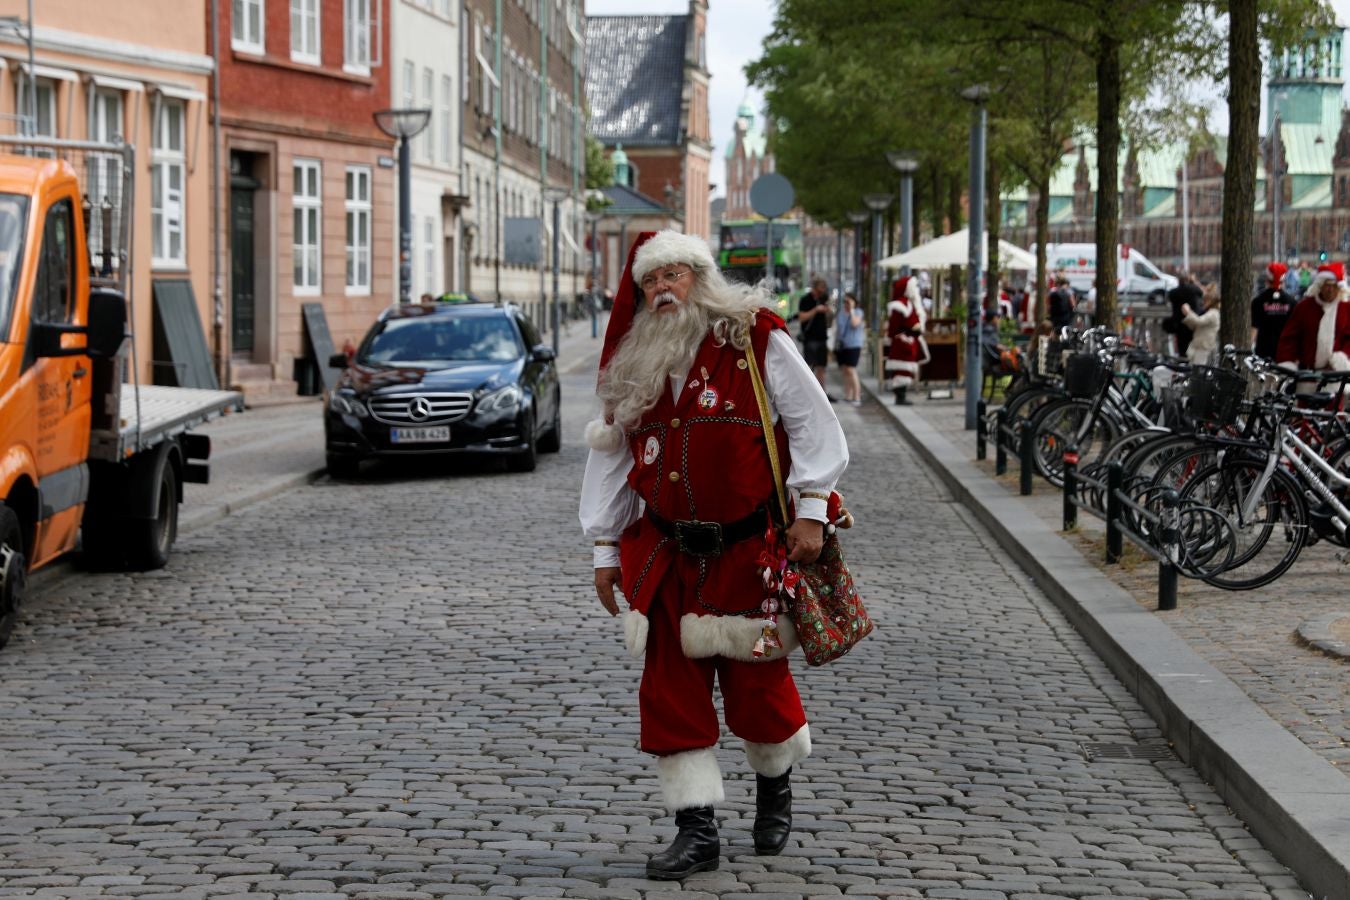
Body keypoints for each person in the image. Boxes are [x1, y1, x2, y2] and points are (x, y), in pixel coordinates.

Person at [579, 230, 848, 880]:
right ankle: (694, 828)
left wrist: (812, 510)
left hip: (749, 551)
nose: (662, 289)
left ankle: (775, 785)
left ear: (700, 278)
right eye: (651, 281)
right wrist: (606, 546)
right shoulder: (637, 361)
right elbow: (612, 458)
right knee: (669, 692)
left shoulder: (754, 340)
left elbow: (813, 423)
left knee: (758, 688)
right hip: (667, 553)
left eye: (673, 274)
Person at [1276, 262, 1350, 372]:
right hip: (1308, 374)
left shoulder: (1346, 309)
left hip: (1336, 375)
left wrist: (1342, 357)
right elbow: (1289, 338)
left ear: (1340, 287)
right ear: (1320, 285)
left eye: (1334, 286)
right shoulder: (1304, 308)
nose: (1330, 290)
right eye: (1327, 285)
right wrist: (1287, 362)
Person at [883, 275, 930, 405]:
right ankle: (900, 396)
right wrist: (908, 332)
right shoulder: (899, 305)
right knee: (901, 370)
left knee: (906, 371)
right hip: (903, 343)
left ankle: (901, 395)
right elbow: (894, 328)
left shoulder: (909, 303)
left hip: (909, 342)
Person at [1250, 262, 1296, 360]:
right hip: (1285, 351)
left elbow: (1254, 329)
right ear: (1283, 281)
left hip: (1263, 352)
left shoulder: (1258, 301)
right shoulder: (1292, 302)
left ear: (1267, 280)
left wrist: (1249, 347)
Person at [797, 277, 833, 397]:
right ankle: (809, 393)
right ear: (814, 287)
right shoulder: (805, 299)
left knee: (821, 367)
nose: (823, 290)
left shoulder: (824, 299)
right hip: (810, 338)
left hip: (822, 338)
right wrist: (816, 310)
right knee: (809, 367)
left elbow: (831, 317)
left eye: (824, 288)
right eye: (820, 288)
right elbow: (802, 317)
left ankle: (822, 394)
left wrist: (828, 310)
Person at [834, 292, 865, 405]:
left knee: (851, 370)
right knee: (845, 370)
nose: (846, 304)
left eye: (848, 301)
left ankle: (857, 397)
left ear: (854, 302)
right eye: (845, 301)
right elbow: (838, 329)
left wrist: (852, 310)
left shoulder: (858, 312)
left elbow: (854, 324)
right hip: (843, 345)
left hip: (854, 345)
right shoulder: (841, 313)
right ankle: (848, 396)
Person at [1181, 283, 1221, 366]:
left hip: (1204, 346)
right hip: (1200, 345)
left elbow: (1199, 321)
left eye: (1205, 301)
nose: (1203, 303)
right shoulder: (1210, 312)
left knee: (1198, 368)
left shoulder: (1213, 313)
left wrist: (1188, 312)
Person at [1166, 271, 1204, 356]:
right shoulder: (1194, 289)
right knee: (1193, 344)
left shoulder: (1174, 292)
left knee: (1182, 346)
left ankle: (1182, 359)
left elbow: (1170, 297)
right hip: (1192, 321)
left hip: (1179, 323)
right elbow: (1201, 293)